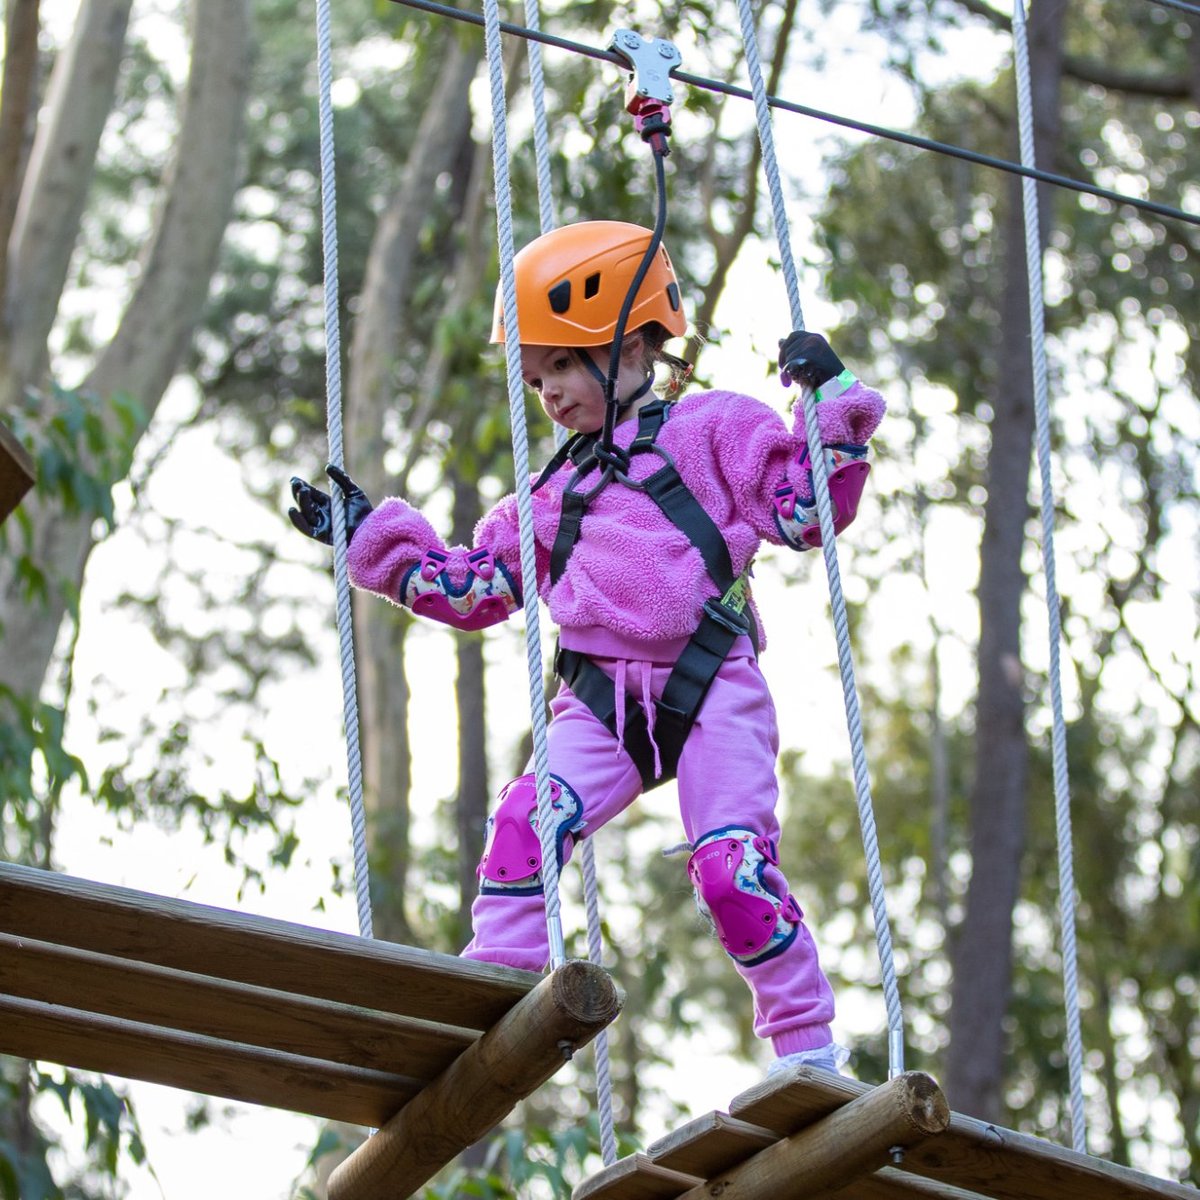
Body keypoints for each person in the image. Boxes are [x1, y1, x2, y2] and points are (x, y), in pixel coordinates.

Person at [289, 220, 885, 1073]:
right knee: (524, 820)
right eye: (537, 378)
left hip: (712, 683)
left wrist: (829, 404)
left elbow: (805, 512)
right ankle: (493, 985)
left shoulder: (716, 430)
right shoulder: (550, 495)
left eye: (565, 363)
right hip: (601, 698)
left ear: (634, 342)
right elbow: (472, 589)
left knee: (731, 872)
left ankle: (806, 1049)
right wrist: (367, 537)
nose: (551, 392)